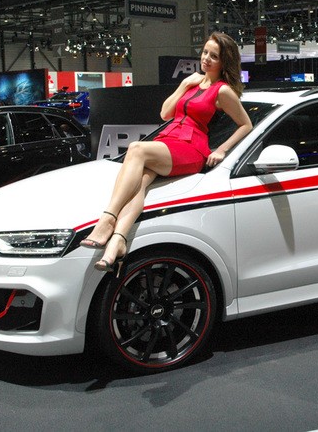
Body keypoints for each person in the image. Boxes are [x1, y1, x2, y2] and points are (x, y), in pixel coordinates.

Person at [80, 32, 253, 272]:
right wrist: (184, 84)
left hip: (191, 148)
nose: (206, 59)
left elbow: (246, 124)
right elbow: (165, 114)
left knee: (136, 148)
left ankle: (108, 218)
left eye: (214, 56)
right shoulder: (193, 84)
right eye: (205, 52)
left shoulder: (222, 91)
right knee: (140, 183)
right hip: (169, 141)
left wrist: (222, 150)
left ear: (224, 62)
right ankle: (118, 241)